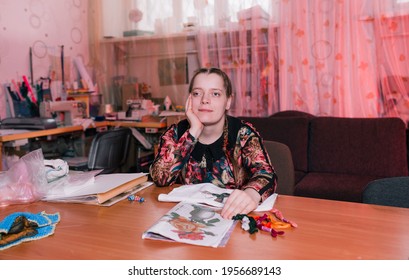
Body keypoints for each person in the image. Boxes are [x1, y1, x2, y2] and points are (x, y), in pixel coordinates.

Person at [150, 67, 277, 219]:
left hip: (232, 218)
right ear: (189, 99)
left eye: (215, 93)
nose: (204, 99)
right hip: (184, 218)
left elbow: (266, 174)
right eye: (197, 93)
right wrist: (194, 131)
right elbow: (159, 177)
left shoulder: (243, 133)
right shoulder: (176, 132)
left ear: (228, 101)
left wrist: (251, 194)